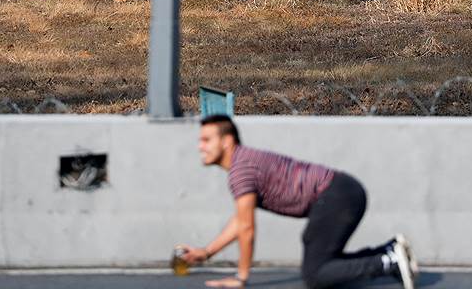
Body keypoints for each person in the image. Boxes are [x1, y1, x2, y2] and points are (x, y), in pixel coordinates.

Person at [179, 115, 419, 289]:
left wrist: (241, 278)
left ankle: (387, 262)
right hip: (341, 193)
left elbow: (246, 229)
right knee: (320, 261)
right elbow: (242, 221)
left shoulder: (241, 171)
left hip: (337, 196)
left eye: (206, 140)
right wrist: (207, 252)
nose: (200, 146)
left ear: (226, 142)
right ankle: (388, 252)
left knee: (316, 274)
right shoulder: (243, 164)